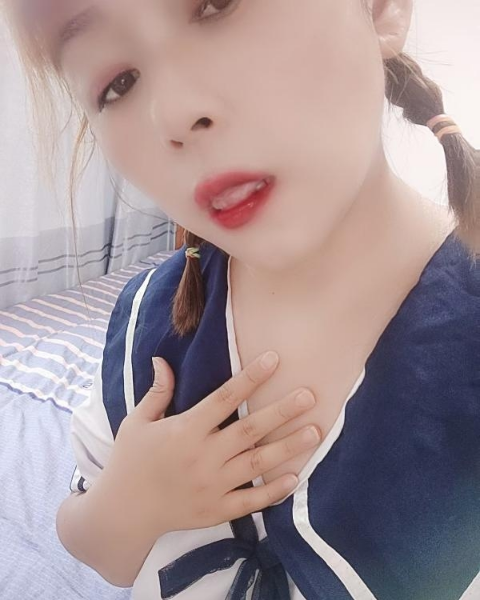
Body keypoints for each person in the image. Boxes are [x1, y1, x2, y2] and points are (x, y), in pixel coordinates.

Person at [4, 0, 480, 598]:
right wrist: (131, 503)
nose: (172, 113)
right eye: (118, 82)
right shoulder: (148, 324)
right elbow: (99, 550)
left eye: (216, 6)